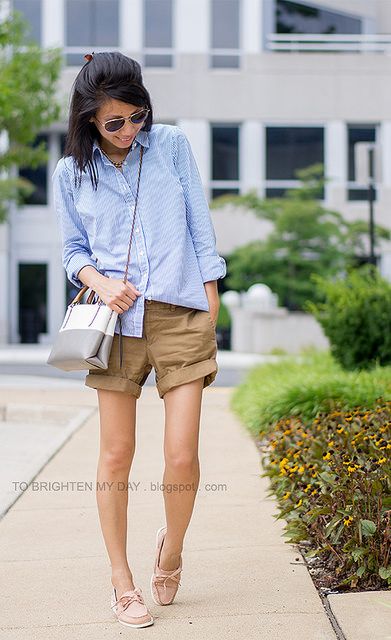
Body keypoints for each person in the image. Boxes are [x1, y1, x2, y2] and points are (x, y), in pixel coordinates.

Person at [52, 51, 226, 628]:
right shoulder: (71, 172)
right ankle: (122, 582)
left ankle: (171, 548)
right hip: (114, 323)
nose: (130, 130)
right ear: (89, 122)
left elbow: (200, 226)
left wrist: (211, 299)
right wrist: (102, 282)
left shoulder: (171, 146)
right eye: (115, 122)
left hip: (180, 313)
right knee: (116, 455)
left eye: (137, 116)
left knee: (181, 453)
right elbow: (73, 251)